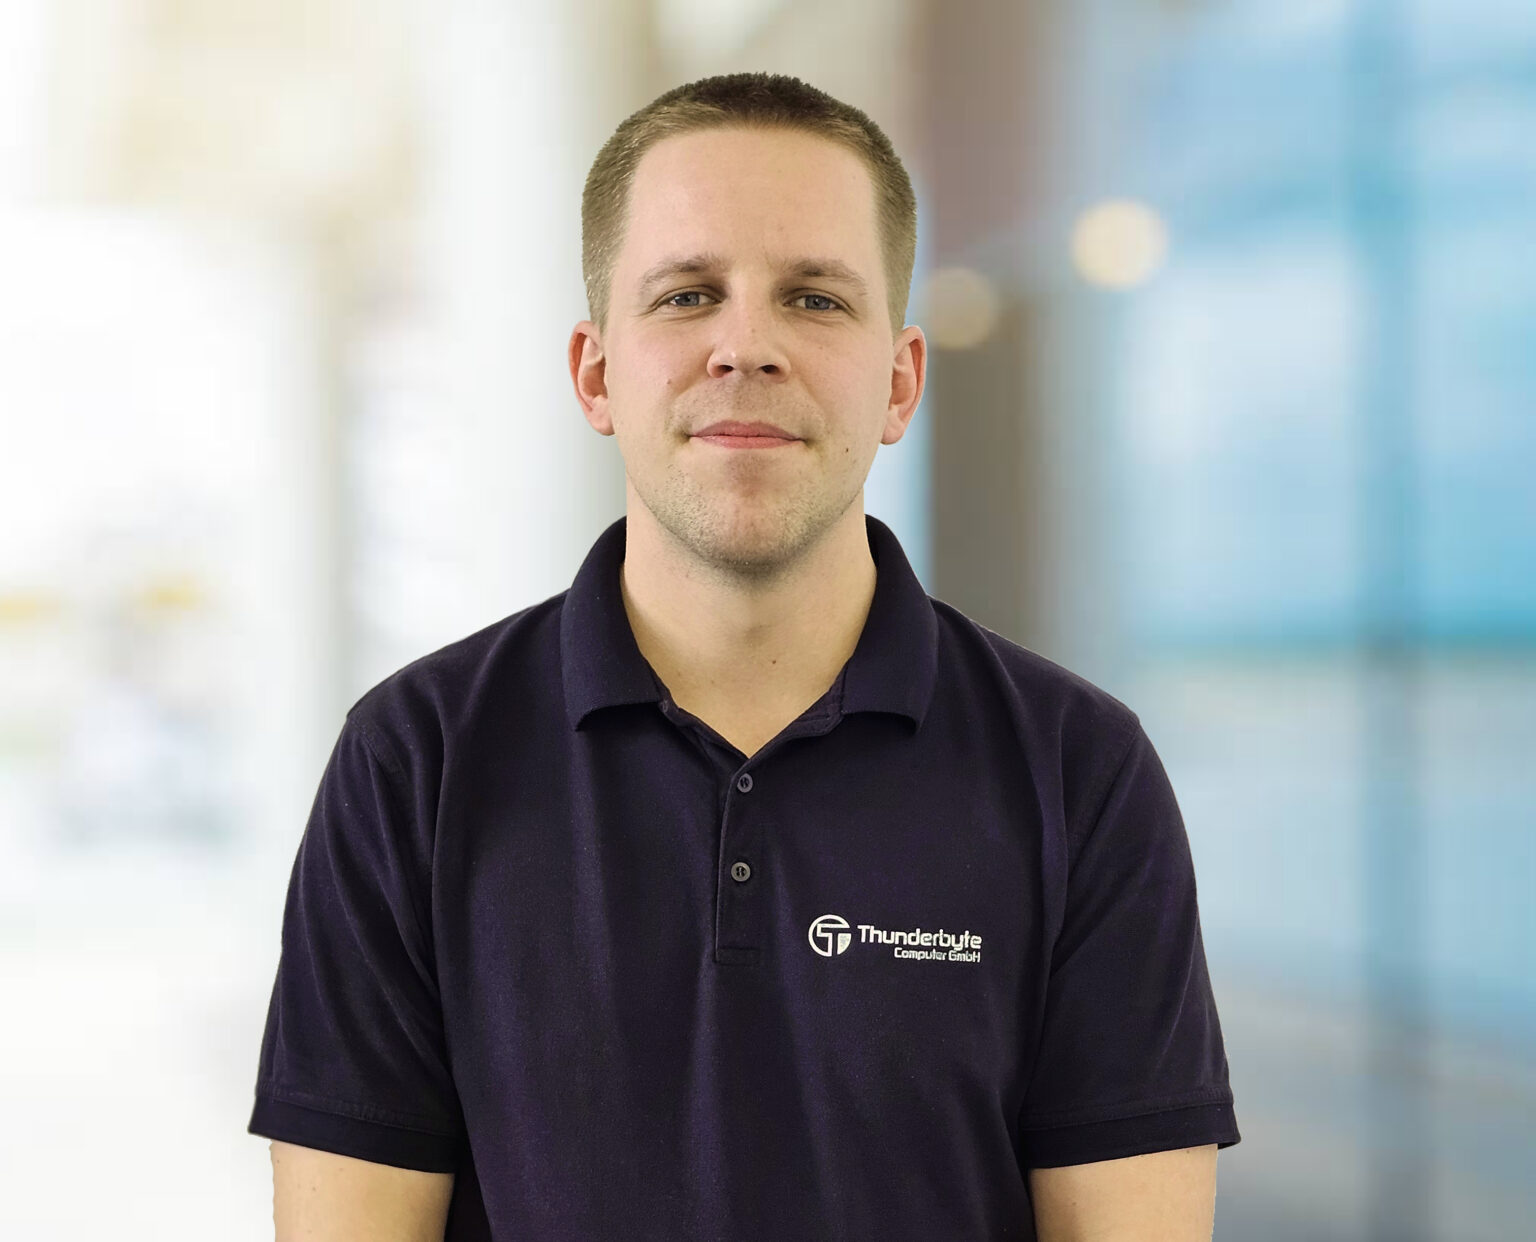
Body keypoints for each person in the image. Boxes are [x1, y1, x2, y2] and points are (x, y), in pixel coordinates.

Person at [248, 71, 1240, 1240]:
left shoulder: (1080, 772)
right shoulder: (413, 764)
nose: (746, 346)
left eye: (814, 298)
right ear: (596, 374)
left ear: (901, 382)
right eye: (687, 295)